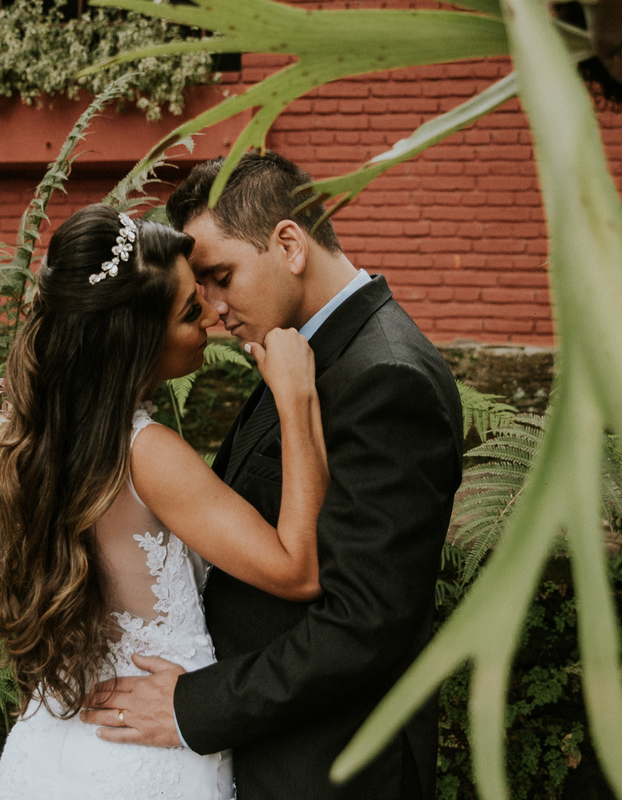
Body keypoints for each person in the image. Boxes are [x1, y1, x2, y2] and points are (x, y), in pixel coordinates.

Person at [80, 151, 464, 799]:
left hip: (328, 765)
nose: (213, 308)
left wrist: (191, 707)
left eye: (220, 276)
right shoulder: (296, 345)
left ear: (289, 243)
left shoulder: (385, 377)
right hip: (269, 751)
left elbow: (366, 622)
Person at [0, 202, 331, 800]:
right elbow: (298, 570)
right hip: (145, 761)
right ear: (135, 340)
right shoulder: (147, 453)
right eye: (191, 312)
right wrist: (296, 401)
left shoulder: (41, 436)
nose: (213, 320)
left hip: (57, 749)